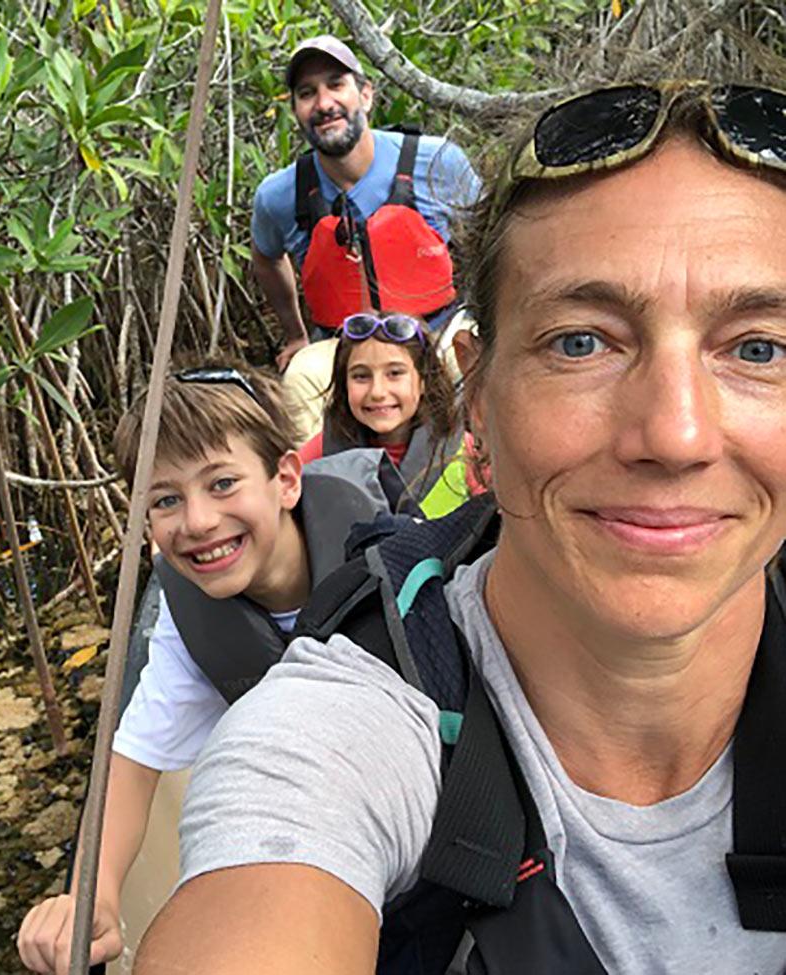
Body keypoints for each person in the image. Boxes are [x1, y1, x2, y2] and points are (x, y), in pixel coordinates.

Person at [131, 81, 786, 974]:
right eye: (580, 342)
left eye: (759, 348)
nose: (674, 436)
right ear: (477, 387)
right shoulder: (344, 722)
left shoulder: (422, 177)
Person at [16, 361, 386, 974]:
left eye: (221, 484)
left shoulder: (389, 555)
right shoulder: (186, 628)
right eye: (165, 499)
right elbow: (131, 768)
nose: (198, 522)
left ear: (286, 479)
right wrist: (93, 897)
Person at [252, 34, 480, 375]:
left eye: (336, 85)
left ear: (366, 95)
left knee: (477, 359)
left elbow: (493, 235)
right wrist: (296, 335)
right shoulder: (278, 196)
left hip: (436, 333)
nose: (324, 103)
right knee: (301, 377)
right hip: (341, 348)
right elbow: (266, 258)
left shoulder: (438, 162)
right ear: (296, 112)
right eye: (307, 93)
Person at [298, 312, 473, 517]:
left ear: (424, 379)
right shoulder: (320, 454)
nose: (378, 392)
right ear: (344, 385)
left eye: (395, 373)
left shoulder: (466, 451)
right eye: (361, 376)